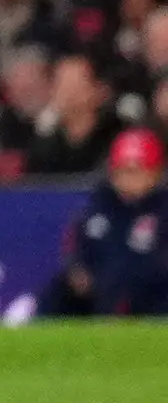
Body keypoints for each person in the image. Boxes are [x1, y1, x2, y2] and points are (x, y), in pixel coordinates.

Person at [43, 125, 167, 317]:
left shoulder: (162, 211)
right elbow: (76, 247)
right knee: (59, 290)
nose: (128, 179)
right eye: (122, 171)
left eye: (136, 171)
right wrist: (78, 269)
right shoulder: (99, 207)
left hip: (148, 292)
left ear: (156, 173)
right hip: (98, 289)